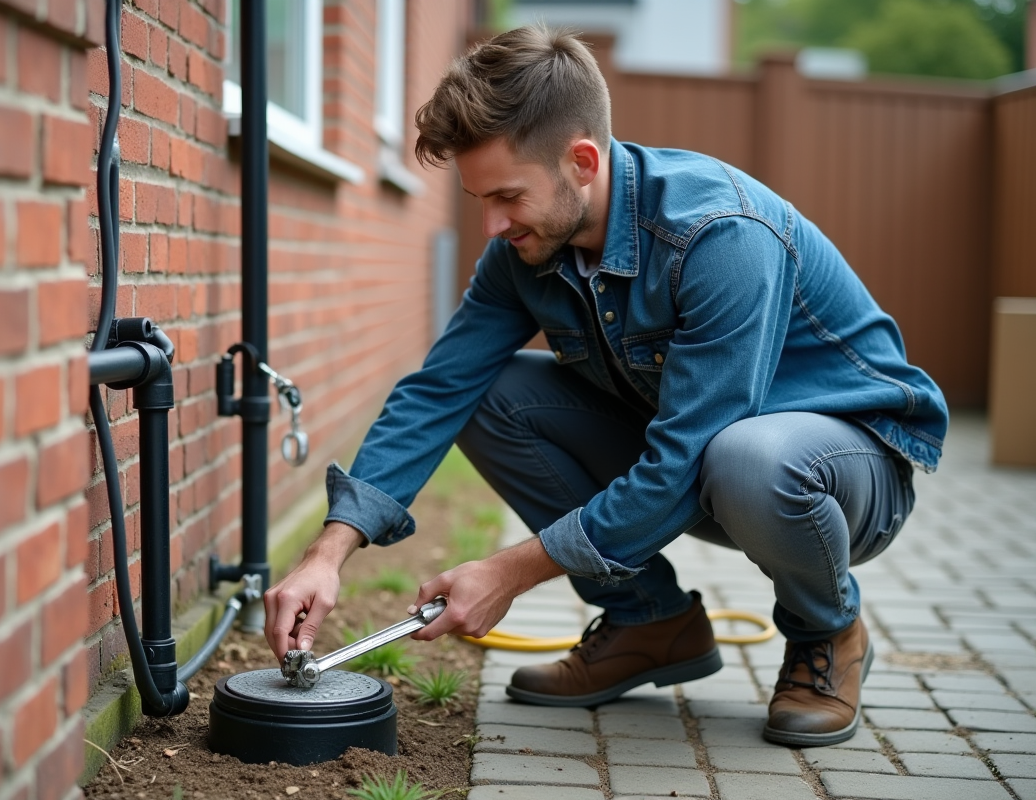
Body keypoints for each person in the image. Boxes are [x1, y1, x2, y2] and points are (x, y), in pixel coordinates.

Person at [263, 25, 947, 747]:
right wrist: (328, 551)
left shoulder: (719, 235)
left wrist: (508, 572)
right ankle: (648, 622)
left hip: (840, 474)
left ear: (581, 161)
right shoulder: (525, 247)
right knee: (492, 395)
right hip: (708, 461)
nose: (492, 225)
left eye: (507, 196)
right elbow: (440, 388)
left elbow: (686, 459)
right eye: (478, 199)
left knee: (748, 455)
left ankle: (827, 630)